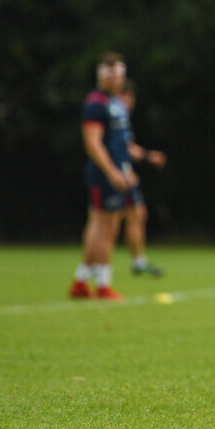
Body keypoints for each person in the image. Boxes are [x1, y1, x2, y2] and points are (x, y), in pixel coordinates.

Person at [70, 52, 137, 300]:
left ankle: (80, 280)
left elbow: (120, 143)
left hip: (117, 173)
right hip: (103, 175)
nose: (115, 79)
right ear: (101, 74)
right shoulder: (96, 103)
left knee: (104, 226)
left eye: (119, 74)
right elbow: (93, 143)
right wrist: (111, 172)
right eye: (110, 74)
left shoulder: (116, 102)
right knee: (104, 227)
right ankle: (102, 284)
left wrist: (127, 170)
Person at [119, 80, 168, 278]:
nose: (129, 102)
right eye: (125, 97)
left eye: (131, 98)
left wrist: (148, 156)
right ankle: (94, 269)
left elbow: (128, 147)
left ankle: (138, 261)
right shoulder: (112, 118)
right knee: (108, 222)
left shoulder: (123, 121)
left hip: (125, 173)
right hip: (117, 175)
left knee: (138, 214)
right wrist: (122, 170)